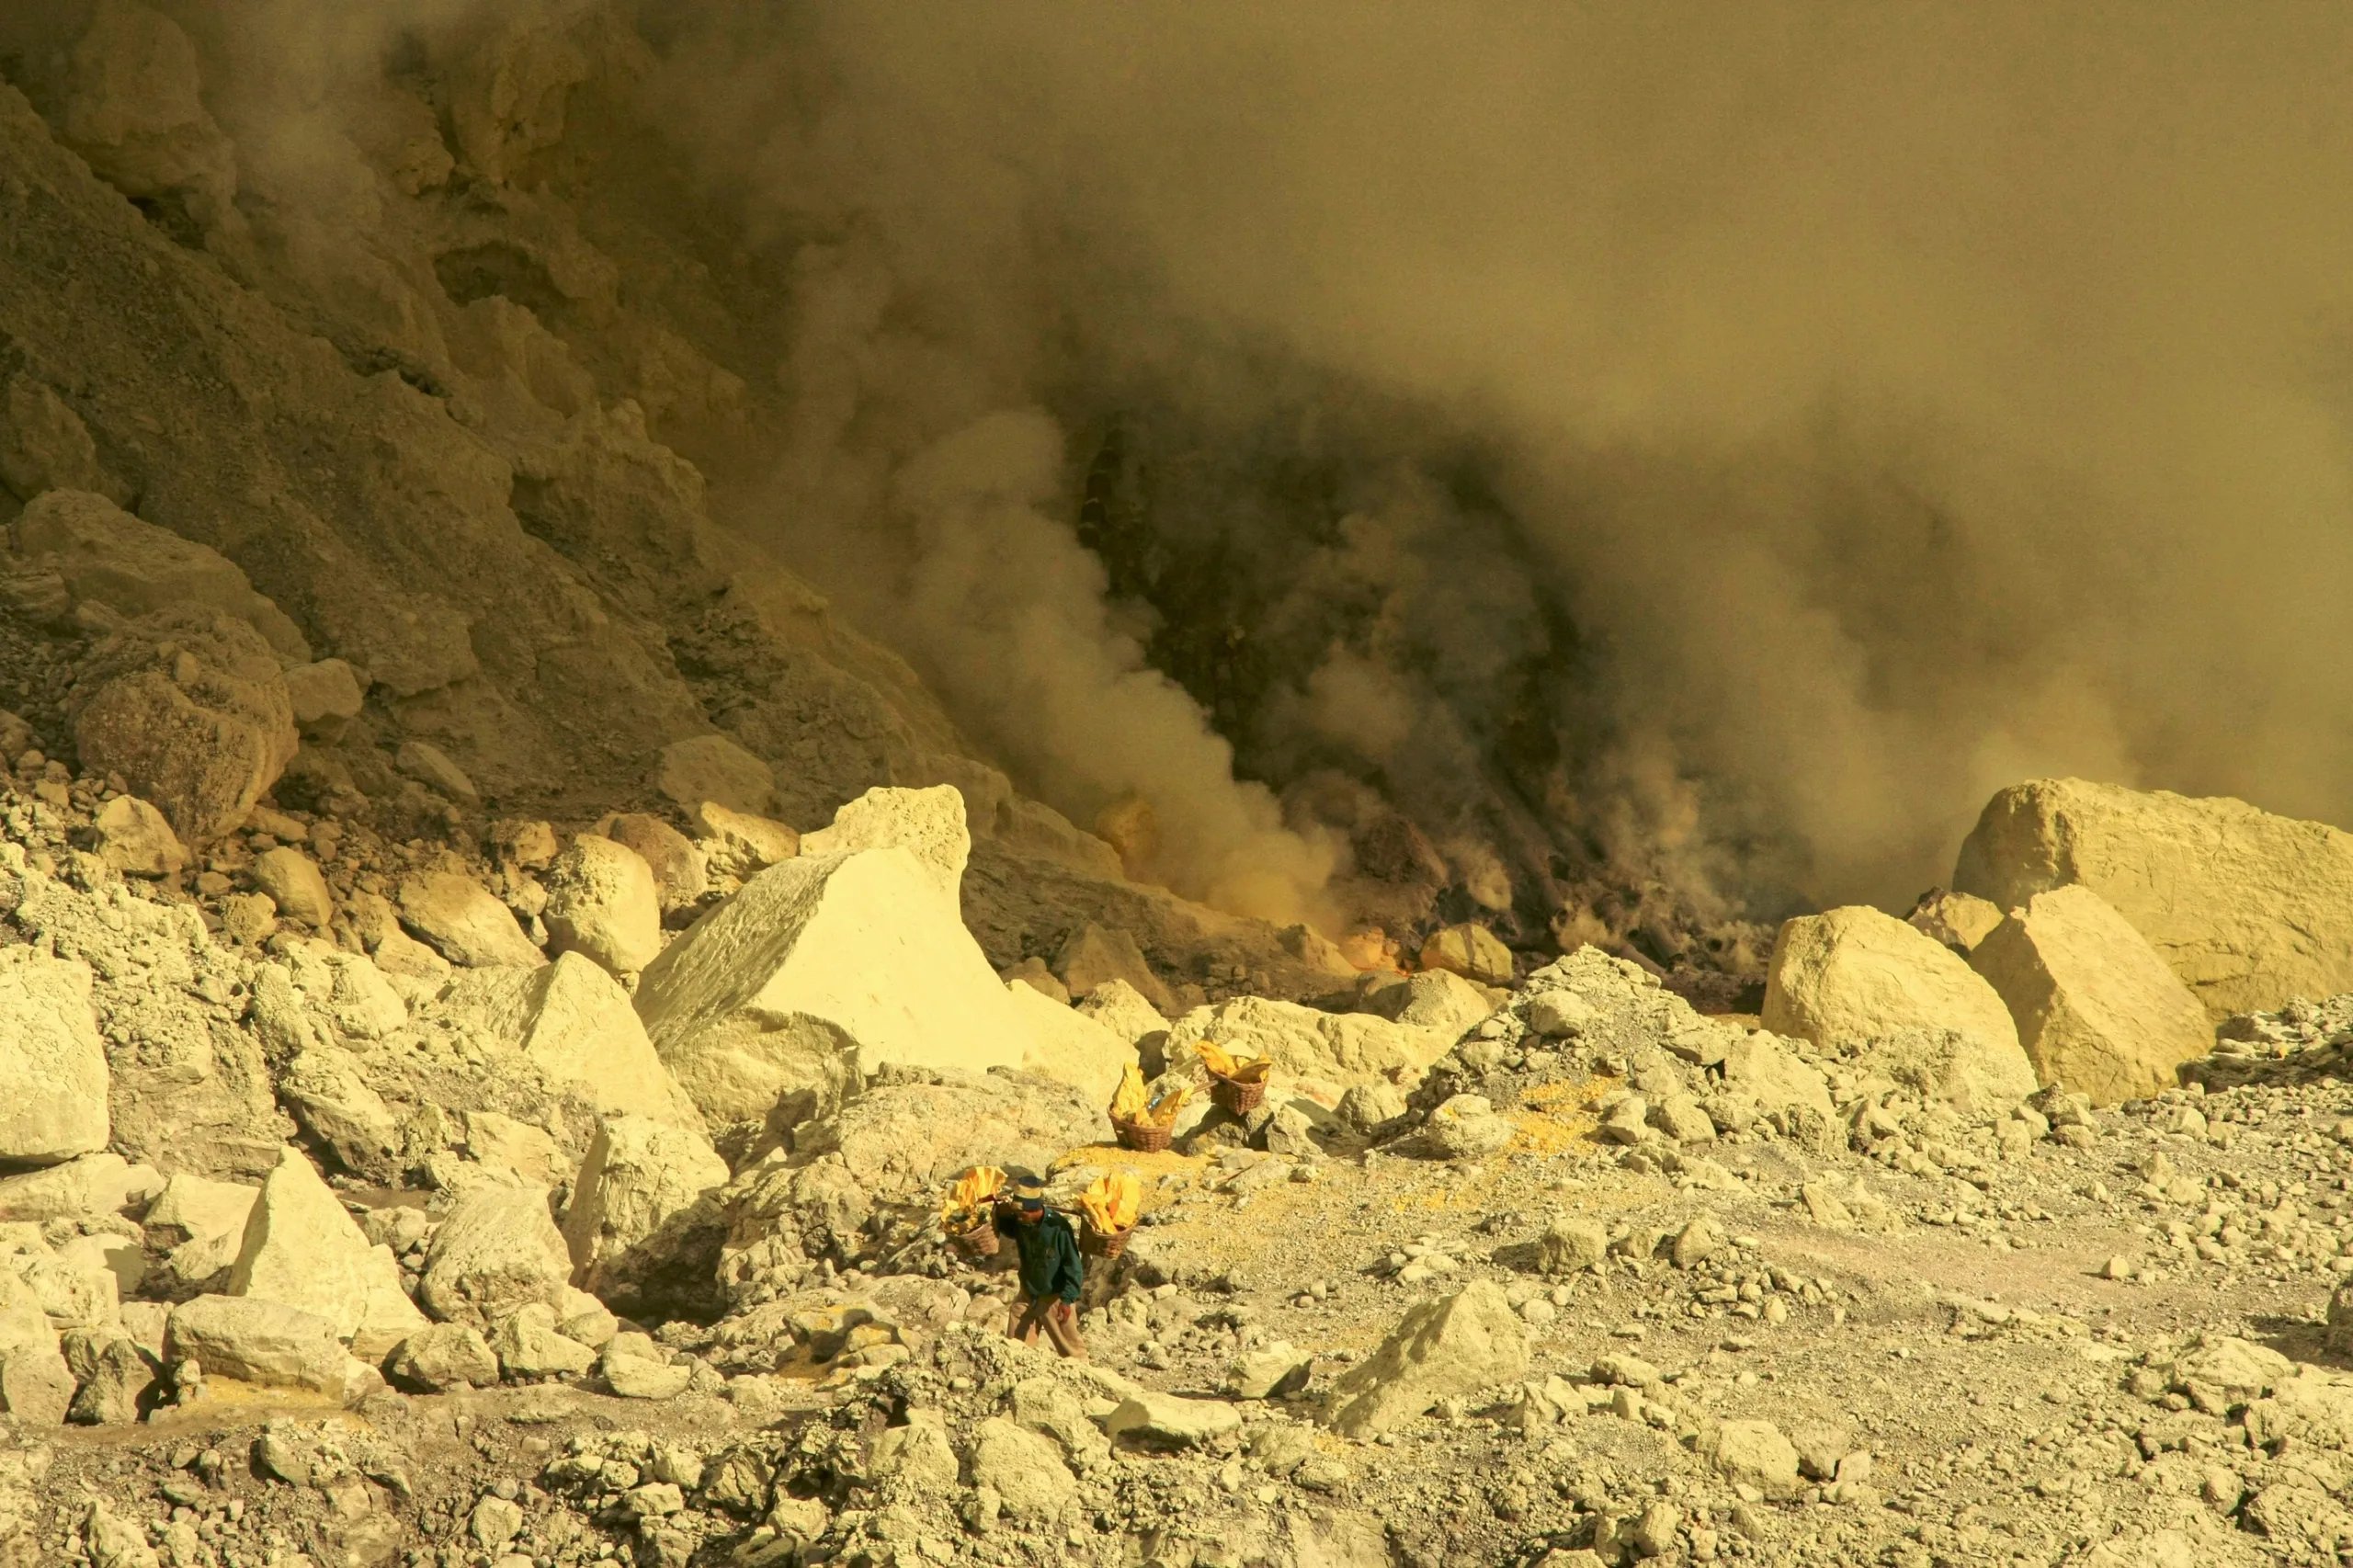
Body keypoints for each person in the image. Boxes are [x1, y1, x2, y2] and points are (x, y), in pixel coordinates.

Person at [993, 1173, 1087, 1358]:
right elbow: (1010, 1230)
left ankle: (1083, 1380)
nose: (1019, 1218)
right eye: (1017, 1215)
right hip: (1028, 1293)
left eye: (1022, 1214)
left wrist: (1067, 1301)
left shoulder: (1058, 1228)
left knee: (1071, 1352)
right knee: (1015, 1347)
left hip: (1054, 1299)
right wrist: (1001, 1215)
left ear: (1033, 1210)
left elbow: (1073, 1266)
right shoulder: (1021, 1222)